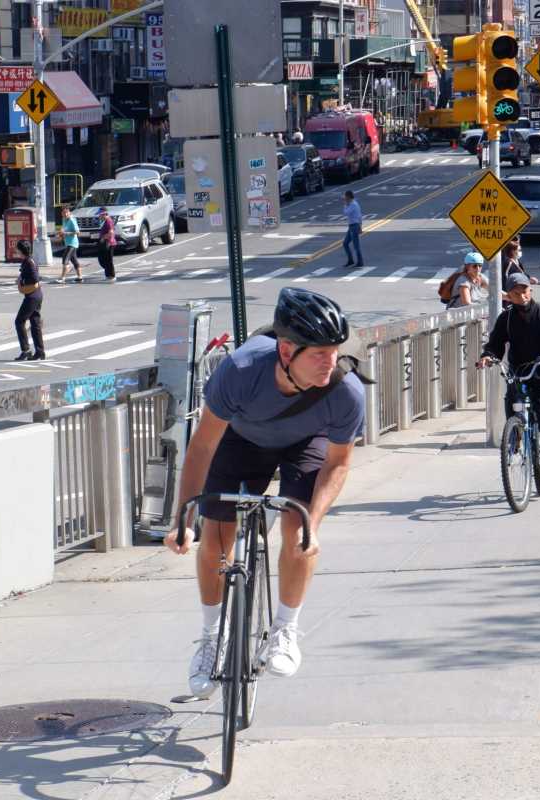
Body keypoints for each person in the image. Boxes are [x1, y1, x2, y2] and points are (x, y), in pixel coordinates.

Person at [165, 287, 366, 697]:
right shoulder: (241, 370)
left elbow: (338, 462)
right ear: (286, 350)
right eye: (318, 354)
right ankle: (212, 637)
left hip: (307, 442)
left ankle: (285, 630)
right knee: (217, 539)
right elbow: (202, 445)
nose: (330, 362)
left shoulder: (346, 389)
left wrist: (314, 522)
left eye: (334, 350)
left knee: (297, 534)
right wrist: (182, 520)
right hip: (240, 440)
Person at [478, 273, 540, 478]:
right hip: (519, 374)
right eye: (516, 293)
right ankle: (515, 435)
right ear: (509, 296)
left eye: (525, 291)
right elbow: (495, 343)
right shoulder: (507, 318)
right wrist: (488, 356)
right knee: (512, 406)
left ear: (531, 291)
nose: (522, 296)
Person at [13, 239, 45, 361]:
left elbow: (35, 279)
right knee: (35, 323)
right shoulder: (28, 260)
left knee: (19, 321)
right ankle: (40, 352)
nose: (16, 250)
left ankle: (26, 350)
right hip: (36, 295)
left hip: (32, 296)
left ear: (22, 250)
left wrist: (21, 282)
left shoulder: (29, 262)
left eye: (17, 249)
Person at [55, 206, 82, 284]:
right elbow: (64, 231)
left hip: (72, 243)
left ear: (69, 213)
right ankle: (80, 277)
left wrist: (66, 233)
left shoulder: (72, 220)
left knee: (65, 260)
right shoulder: (64, 220)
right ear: (62, 214)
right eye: (64, 213)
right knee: (74, 260)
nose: (65, 214)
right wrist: (60, 234)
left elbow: (78, 233)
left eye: (67, 212)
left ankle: (62, 278)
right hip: (68, 243)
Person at [341, 190, 364, 268]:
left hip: (354, 226)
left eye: (345, 196)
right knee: (345, 243)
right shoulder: (354, 203)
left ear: (348, 196)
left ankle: (360, 262)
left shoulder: (353, 204)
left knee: (356, 245)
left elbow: (346, 213)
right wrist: (360, 225)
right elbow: (360, 216)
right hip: (353, 226)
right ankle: (351, 260)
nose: (344, 198)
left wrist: (345, 204)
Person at [96, 208, 117, 282]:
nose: (99, 216)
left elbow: (111, 233)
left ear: (104, 214)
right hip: (106, 243)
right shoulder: (105, 221)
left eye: (100, 215)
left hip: (109, 243)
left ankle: (111, 276)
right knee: (103, 259)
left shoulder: (108, 221)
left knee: (108, 260)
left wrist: (103, 238)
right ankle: (108, 275)